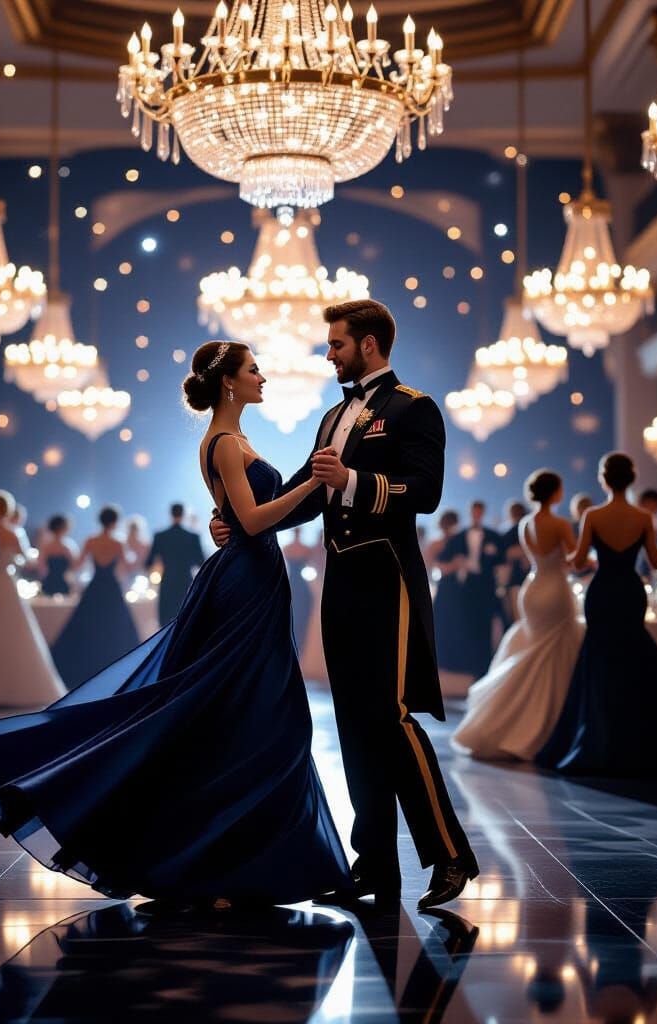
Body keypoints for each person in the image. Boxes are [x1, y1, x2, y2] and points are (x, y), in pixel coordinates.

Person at [0, 340, 349, 909]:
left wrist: (291, 497)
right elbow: (249, 520)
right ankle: (227, 862)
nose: (262, 376)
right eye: (252, 370)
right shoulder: (223, 443)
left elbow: (239, 519)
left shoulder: (235, 440)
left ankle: (238, 860)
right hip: (246, 579)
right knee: (257, 710)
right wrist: (316, 484)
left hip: (255, 577)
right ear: (228, 383)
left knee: (248, 712)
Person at [244, 298, 480, 911]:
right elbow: (304, 489)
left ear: (369, 345)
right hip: (341, 580)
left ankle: (450, 856)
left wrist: (350, 481)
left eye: (337, 344)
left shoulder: (414, 407)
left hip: (388, 575)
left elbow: (425, 493)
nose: (329, 354)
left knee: (393, 717)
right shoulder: (332, 416)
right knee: (353, 723)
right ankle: (373, 861)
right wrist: (248, 525)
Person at [536, 453, 657, 775]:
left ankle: (599, 743)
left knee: (600, 664)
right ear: (631, 479)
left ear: (604, 480)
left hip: (602, 593)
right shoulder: (642, 518)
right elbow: (656, 562)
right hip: (629, 591)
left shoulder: (593, 515)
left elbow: (579, 562)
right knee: (633, 662)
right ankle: (640, 744)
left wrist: (565, 553)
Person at [453, 471, 583, 760]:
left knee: (535, 649)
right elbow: (575, 560)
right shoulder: (560, 523)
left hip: (532, 589)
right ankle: (548, 726)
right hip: (555, 588)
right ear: (555, 493)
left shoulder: (525, 523)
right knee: (553, 650)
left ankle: (510, 719)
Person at [0, 489, 65, 708]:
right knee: (13, 631)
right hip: (6, 585)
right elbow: (28, 561)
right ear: (8, 510)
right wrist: (14, 561)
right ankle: (14, 685)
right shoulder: (13, 533)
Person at [50, 505, 140, 688]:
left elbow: (77, 565)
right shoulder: (118, 542)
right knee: (116, 627)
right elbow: (129, 566)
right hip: (111, 590)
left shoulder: (91, 540)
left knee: (88, 626)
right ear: (115, 521)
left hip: (95, 588)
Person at [436, 501, 504, 678]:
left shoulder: (493, 536)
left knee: (486, 623)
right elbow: (443, 560)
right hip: (466, 587)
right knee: (467, 623)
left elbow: (501, 562)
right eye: (474, 511)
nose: (477, 515)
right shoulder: (459, 537)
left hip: (487, 585)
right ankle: (470, 663)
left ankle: (485, 663)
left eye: (479, 512)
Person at [147, 503, 205, 624]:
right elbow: (201, 562)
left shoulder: (160, 536)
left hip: (167, 583)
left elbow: (148, 563)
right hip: (186, 582)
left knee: (166, 623)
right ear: (183, 514)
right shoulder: (193, 537)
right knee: (186, 620)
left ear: (171, 514)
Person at [428, 510, 464, 675]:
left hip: (457, 588)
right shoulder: (437, 543)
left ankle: (452, 660)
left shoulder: (459, 542)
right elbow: (429, 565)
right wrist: (447, 568)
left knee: (454, 622)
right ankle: (442, 660)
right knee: (442, 622)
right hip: (445, 587)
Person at [282, 527, 315, 652]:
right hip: (295, 585)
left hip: (298, 585)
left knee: (300, 619)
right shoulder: (293, 548)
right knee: (294, 619)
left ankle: (298, 650)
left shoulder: (300, 549)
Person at [499, 499, 530, 625]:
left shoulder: (508, 534)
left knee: (519, 620)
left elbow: (504, 560)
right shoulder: (531, 529)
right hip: (533, 578)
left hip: (515, 580)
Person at [39, 515, 77, 596]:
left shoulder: (46, 546)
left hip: (49, 582)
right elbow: (74, 566)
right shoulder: (68, 546)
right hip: (63, 583)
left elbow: (41, 567)